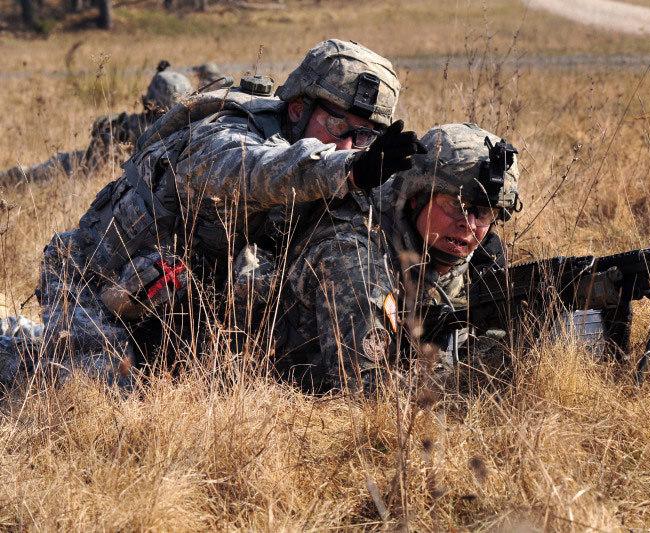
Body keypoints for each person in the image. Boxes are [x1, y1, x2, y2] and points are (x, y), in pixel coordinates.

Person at [0, 39, 426, 390]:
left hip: (183, 304)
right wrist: (350, 169)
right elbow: (260, 171)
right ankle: (15, 346)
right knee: (97, 399)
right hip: (94, 284)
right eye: (339, 127)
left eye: (365, 135)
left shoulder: (337, 163)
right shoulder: (225, 134)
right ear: (298, 109)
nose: (350, 145)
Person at [270, 122, 520, 395]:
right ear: (416, 198)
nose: (469, 225)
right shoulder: (354, 257)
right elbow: (367, 389)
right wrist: (473, 380)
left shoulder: (473, 252)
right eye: (456, 205)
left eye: (483, 212)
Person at [0, 61, 193, 185]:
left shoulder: (139, 127)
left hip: (87, 169)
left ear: (151, 101)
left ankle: (8, 178)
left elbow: (103, 125)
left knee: (44, 169)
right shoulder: (191, 130)